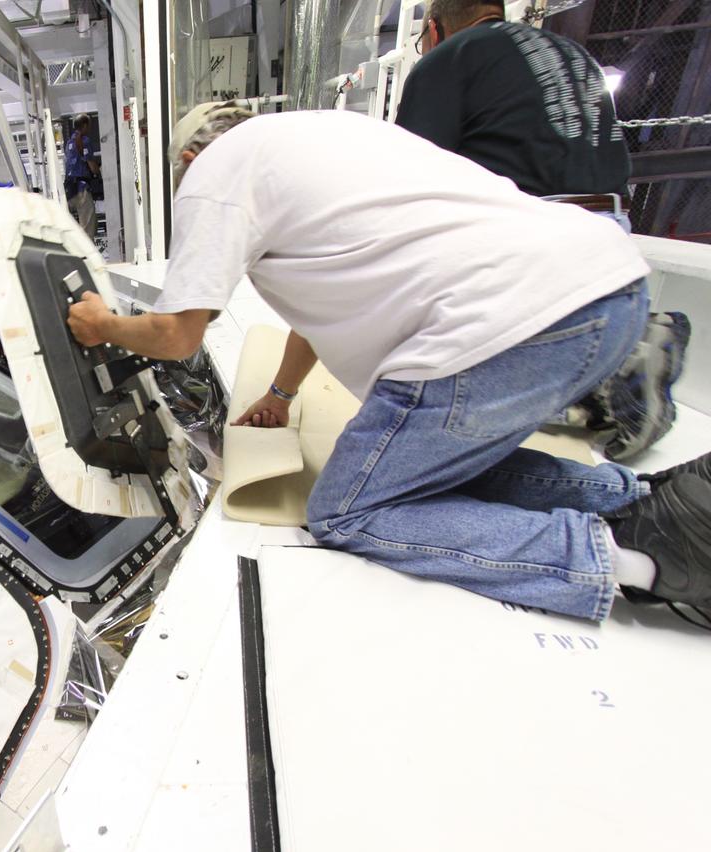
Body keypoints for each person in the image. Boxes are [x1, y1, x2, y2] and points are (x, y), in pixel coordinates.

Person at [66, 103, 711, 620]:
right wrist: (283, 397)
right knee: (423, 469)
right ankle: (644, 505)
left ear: (188, 160)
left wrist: (103, 325)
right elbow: (319, 310)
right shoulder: (327, 137)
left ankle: (633, 557)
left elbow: (179, 335)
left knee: (349, 509)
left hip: (497, 329)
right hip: (608, 295)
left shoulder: (215, 170)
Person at [396, 0, 691, 461]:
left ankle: (620, 364)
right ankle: (618, 356)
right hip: (611, 229)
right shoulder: (573, 55)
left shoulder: (449, 58)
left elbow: (410, 178)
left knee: (448, 396)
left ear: (434, 29)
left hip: (534, 233)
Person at [64, 114, 100, 237]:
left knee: (74, 227)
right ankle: (88, 254)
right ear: (84, 125)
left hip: (70, 190)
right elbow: (92, 167)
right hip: (82, 189)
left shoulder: (69, 143)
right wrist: (97, 171)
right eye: (89, 125)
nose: (90, 128)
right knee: (88, 228)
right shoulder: (84, 141)